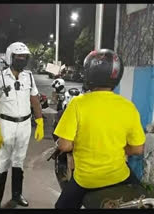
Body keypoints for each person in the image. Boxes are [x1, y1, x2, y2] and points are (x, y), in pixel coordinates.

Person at [53, 49, 145, 209]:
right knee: (140, 196)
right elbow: (137, 149)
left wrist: (84, 143)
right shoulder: (128, 106)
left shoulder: (77, 104)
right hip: (119, 176)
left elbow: (64, 145)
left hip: (86, 180)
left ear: (89, 74)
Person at [0, 42, 44, 208]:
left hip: (25, 124)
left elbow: (34, 99)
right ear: (9, 57)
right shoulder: (1, 77)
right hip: (6, 124)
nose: (21, 60)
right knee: (3, 161)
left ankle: (17, 195)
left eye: (24, 57)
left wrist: (39, 121)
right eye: (18, 56)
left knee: (19, 160)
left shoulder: (29, 77)